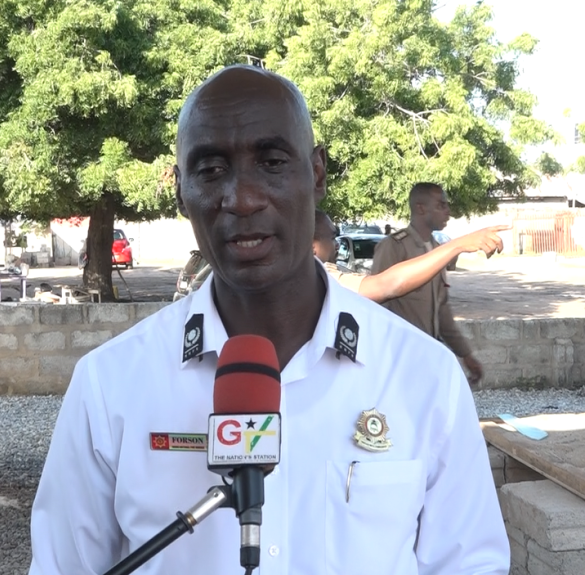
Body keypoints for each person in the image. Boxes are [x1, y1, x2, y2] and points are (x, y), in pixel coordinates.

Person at [29, 65, 508, 575]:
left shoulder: (424, 377)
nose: (242, 199)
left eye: (272, 162)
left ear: (317, 174)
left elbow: (468, 564)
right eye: (210, 169)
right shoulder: (110, 385)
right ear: (181, 191)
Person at [371, 182, 484, 385]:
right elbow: (374, 304)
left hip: (428, 357)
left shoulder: (437, 251)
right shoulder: (394, 247)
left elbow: (442, 310)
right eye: (441, 205)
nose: (448, 211)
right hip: (397, 360)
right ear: (421, 208)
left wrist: (465, 354)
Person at [314, 209, 508, 301]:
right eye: (332, 238)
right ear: (311, 246)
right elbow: (386, 284)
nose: (336, 245)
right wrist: (458, 245)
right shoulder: (318, 276)